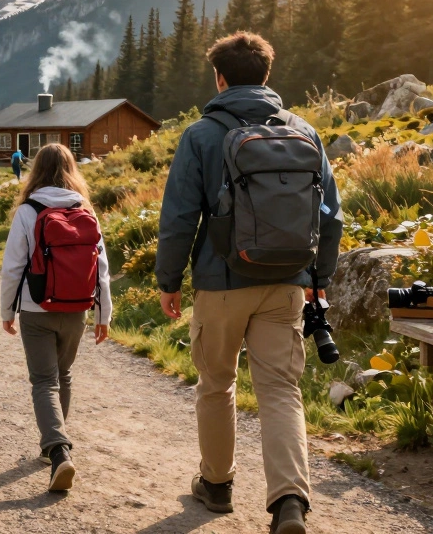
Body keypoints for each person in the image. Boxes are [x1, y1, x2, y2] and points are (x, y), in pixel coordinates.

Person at [155, 33, 342, 534]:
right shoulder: (303, 131)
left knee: (216, 383)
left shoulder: (200, 134)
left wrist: (168, 280)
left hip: (220, 284)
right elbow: (331, 215)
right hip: (286, 282)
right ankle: (289, 503)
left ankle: (217, 486)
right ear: (267, 75)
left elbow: (178, 217)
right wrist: (318, 279)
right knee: (281, 390)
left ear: (219, 77)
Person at [0, 143, 112, 492]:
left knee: (44, 381)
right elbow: (101, 268)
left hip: (36, 308)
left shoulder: (28, 210)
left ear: (36, 170)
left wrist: (7, 311)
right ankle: (55, 445)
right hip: (77, 307)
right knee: (62, 374)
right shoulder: (84, 209)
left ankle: (59, 449)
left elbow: (13, 266)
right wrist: (102, 314)